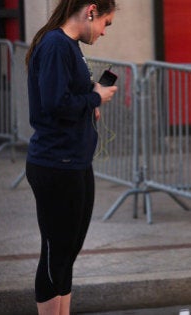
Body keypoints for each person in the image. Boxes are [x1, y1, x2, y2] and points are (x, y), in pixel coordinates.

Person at [24, 1, 117, 314]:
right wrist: (95, 96)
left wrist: (90, 96)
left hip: (74, 161)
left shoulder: (68, 45)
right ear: (90, 11)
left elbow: (64, 94)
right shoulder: (55, 45)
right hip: (55, 164)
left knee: (67, 252)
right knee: (57, 253)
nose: (104, 32)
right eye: (106, 23)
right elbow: (54, 103)